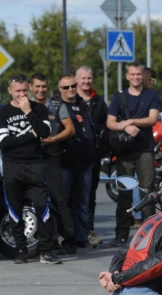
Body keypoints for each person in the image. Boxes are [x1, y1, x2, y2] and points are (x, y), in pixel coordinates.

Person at [0, 74, 61, 265]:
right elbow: (4, 143)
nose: (22, 94)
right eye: (18, 91)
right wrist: (30, 135)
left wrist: (28, 113)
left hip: (35, 165)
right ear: (10, 91)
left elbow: (44, 132)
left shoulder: (39, 108)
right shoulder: (2, 113)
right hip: (12, 166)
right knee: (15, 210)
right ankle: (21, 250)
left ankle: (46, 251)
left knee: (42, 208)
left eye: (25, 90)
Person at [106, 61, 160, 247]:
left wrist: (129, 122)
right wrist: (125, 127)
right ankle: (121, 234)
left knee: (147, 192)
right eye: (133, 74)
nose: (136, 77)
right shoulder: (119, 97)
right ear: (127, 76)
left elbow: (152, 119)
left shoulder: (151, 95)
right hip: (125, 151)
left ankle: (149, 234)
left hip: (145, 149)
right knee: (124, 194)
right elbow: (111, 122)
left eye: (139, 74)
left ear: (142, 75)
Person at [29, 73, 77, 255]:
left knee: (58, 198)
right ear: (31, 88)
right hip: (32, 159)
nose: (40, 90)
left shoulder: (57, 106)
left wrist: (52, 140)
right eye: (37, 86)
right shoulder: (27, 106)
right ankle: (50, 238)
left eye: (43, 86)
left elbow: (70, 129)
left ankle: (69, 239)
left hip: (52, 158)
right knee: (39, 201)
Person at [56, 74, 97, 248]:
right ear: (60, 90)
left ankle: (81, 237)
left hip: (86, 161)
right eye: (66, 87)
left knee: (83, 202)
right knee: (65, 201)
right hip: (65, 162)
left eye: (73, 86)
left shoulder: (83, 105)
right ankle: (66, 236)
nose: (71, 89)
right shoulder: (57, 106)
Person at [75, 65, 108, 248]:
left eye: (89, 78)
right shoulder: (72, 99)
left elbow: (106, 124)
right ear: (76, 79)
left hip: (94, 155)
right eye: (83, 78)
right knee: (73, 195)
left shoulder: (98, 101)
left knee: (90, 196)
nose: (86, 81)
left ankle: (88, 230)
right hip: (74, 155)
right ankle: (72, 232)